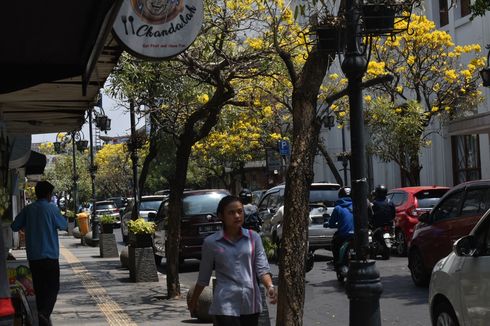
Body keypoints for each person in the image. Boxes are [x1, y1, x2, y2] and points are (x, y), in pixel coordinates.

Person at [188, 195, 277, 326]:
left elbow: (262, 268)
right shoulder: (211, 243)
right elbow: (203, 277)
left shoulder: (254, 238)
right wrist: (194, 300)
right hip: (225, 306)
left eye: (240, 211)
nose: (237, 216)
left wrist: (269, 286)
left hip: (250, 303)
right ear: (221, 216)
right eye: (231, 212)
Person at [11, 181, 68, 326]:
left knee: (40, 289)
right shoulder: (52, 209)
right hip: (50, 256)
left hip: (34, 257)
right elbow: (64, 225)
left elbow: (14, 225)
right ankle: (44, 313)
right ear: (49, 194)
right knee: (53, 287)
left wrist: (29, 225)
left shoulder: (28, 209)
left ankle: (43, 318)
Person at [328, 187, 354, 267]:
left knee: (335, 243)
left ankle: (337, 262)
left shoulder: (338, 208)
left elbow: (331, 223)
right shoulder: (358, 206)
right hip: (358, 235)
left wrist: (329, 224)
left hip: (343, 235)